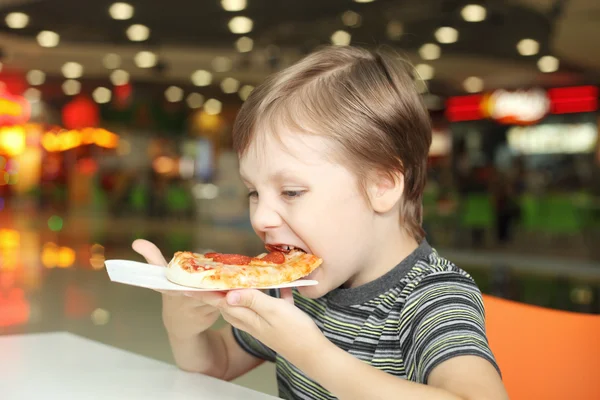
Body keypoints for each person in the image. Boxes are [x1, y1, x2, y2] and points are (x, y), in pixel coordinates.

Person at [133, 46, 508, 400]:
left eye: (292, 192)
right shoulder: (293, 287)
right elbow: (218, 364)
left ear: (381, 185)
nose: (261, 217)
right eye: (253, 192)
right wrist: (181, 325)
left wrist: (312, 354)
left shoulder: (434, 297)